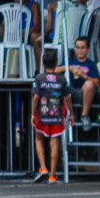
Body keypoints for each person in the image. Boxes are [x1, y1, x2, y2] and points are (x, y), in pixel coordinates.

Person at [31, 50, 74, 183]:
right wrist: (71, 113)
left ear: (43, 64)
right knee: (54, 141)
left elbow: (36, 97)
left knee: (39, 139)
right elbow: (67, 98)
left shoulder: (39, 78)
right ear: (56, 64)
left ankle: (43, 168)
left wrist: (33, 113)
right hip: (57, 112)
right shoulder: (62, 79)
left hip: (42, 112)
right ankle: (52, 175)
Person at [60, 37, 100, 131]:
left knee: (89, 84)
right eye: (77, 47)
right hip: (71, 92)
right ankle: (66, 115)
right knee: (63, 85)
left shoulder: (91, 64)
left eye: (82, 47)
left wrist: (84, 75)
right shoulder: (70, 61)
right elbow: (54, 70)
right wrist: (68, 67)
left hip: (85, 94)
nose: (79, 50)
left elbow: (97, 83)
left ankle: (84, 116)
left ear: (88, 49)